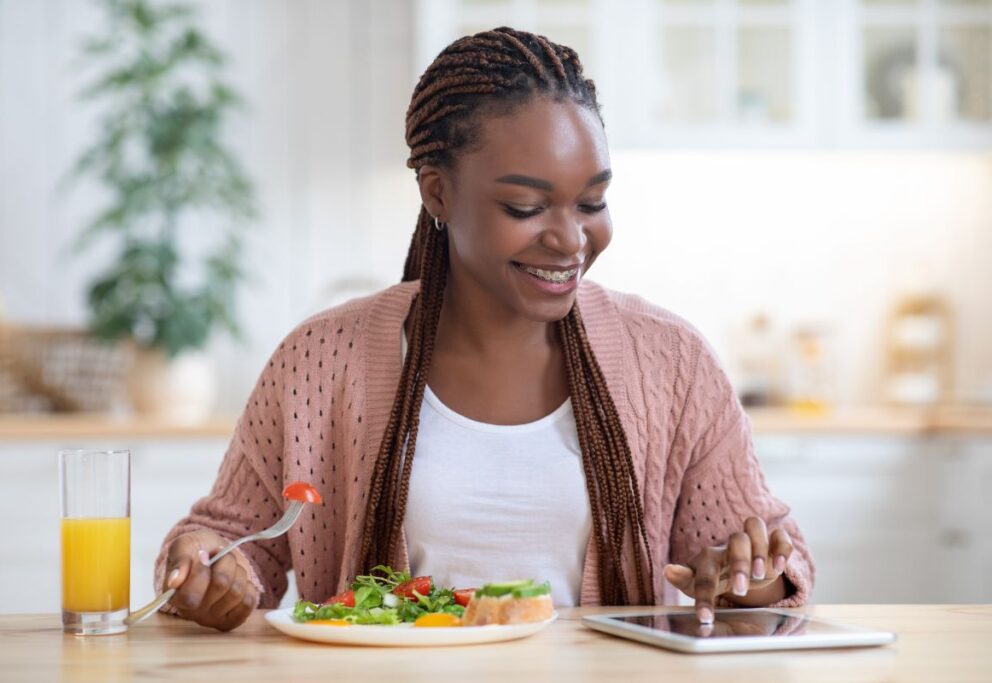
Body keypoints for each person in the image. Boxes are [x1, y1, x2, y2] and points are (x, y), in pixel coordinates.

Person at [155, 27, 814, 632]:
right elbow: (228, 544)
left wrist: (746, 577)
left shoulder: (671, 361)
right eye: (526, 206)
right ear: (437, 192)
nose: (569, 238)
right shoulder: (320, 361)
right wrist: (208, 571)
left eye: (593, 201)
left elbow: (765, 569)